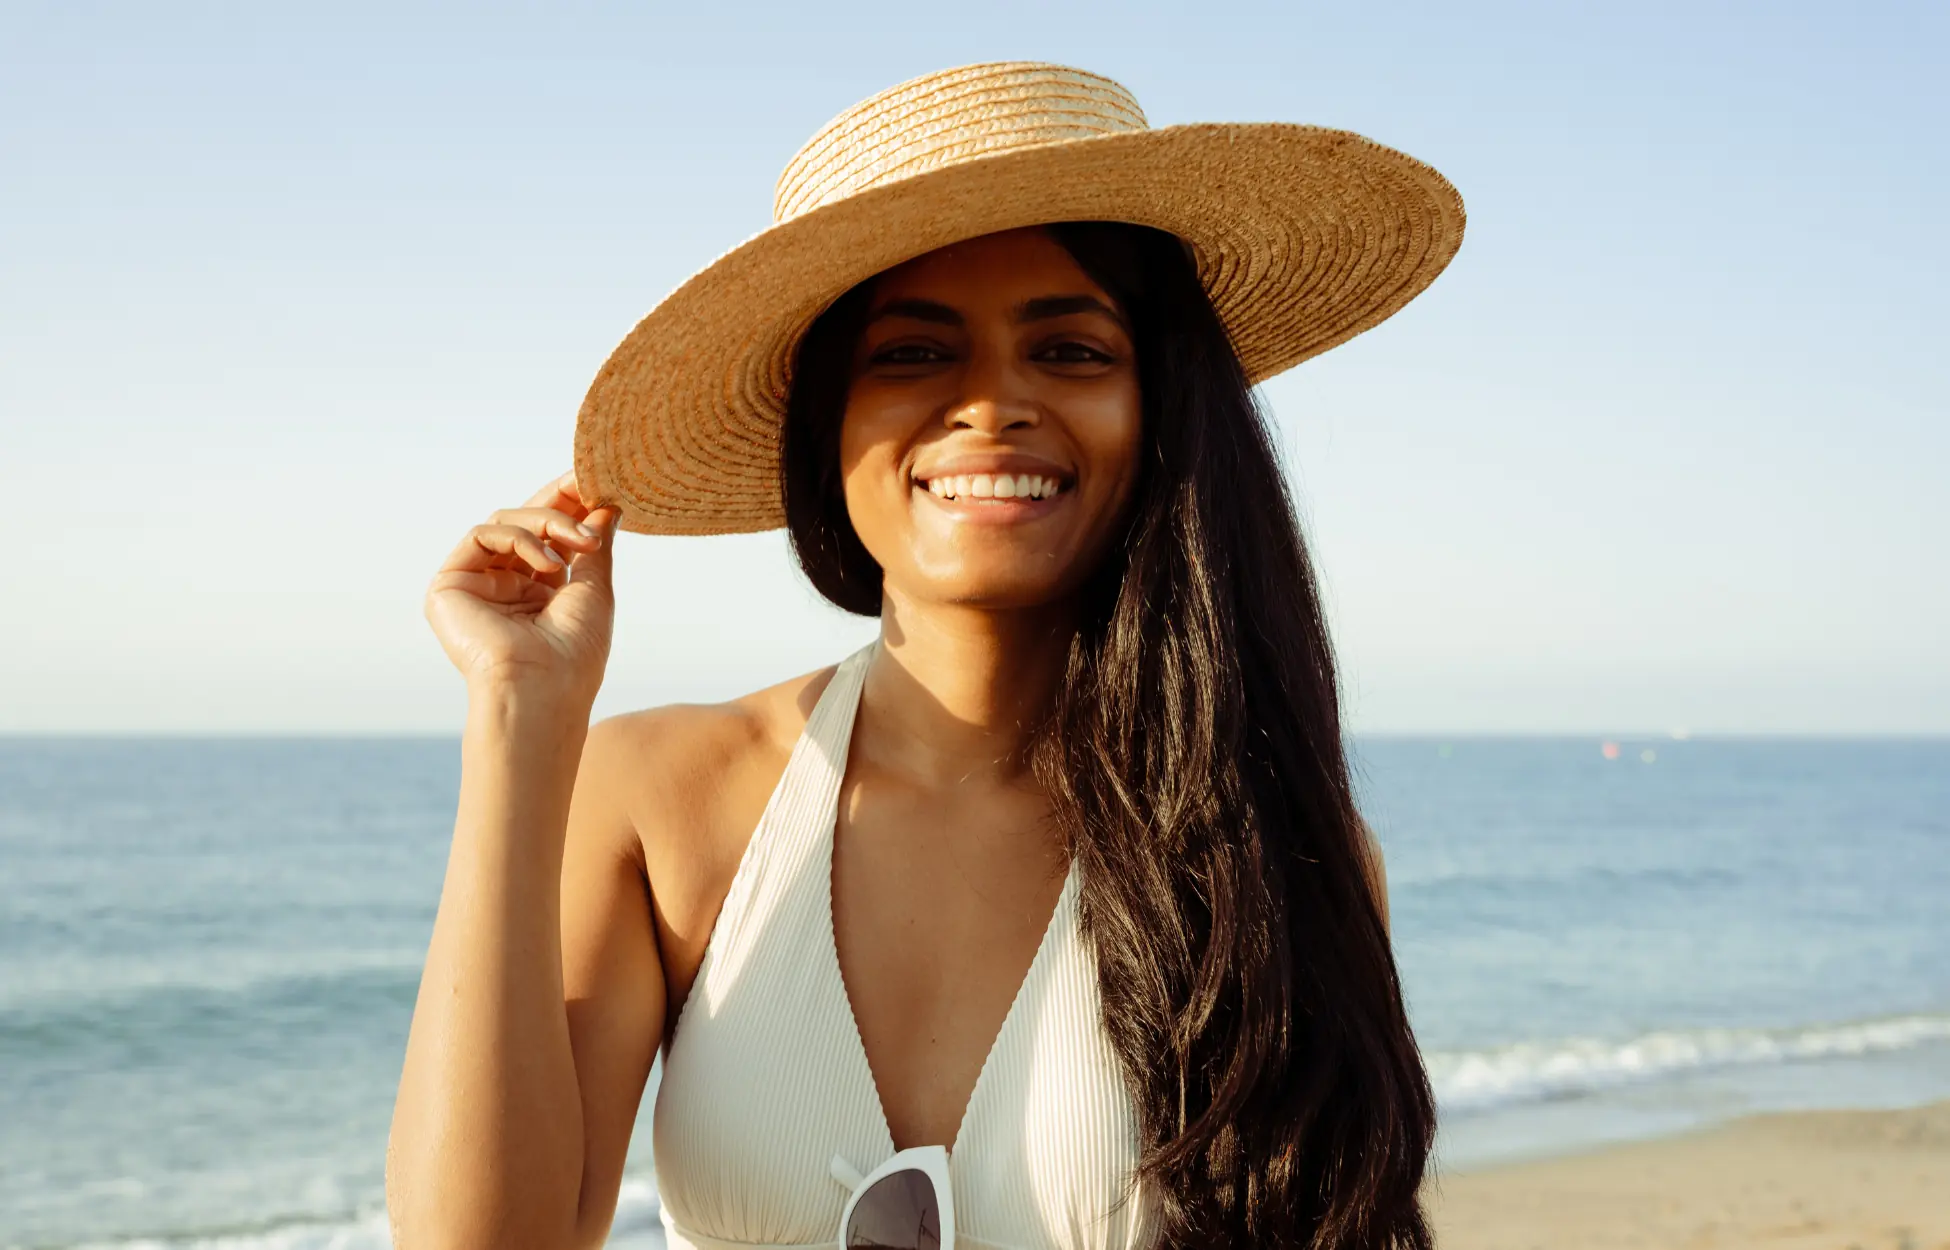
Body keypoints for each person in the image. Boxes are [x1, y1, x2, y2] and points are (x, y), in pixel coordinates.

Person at [388, 62, 1463, 1250]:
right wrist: (514, 716)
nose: (990, 405)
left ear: (1162, 410)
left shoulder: (1275, 845)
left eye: (1069, 350)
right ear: (825, 423)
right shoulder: (662, 794)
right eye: (912, 353)